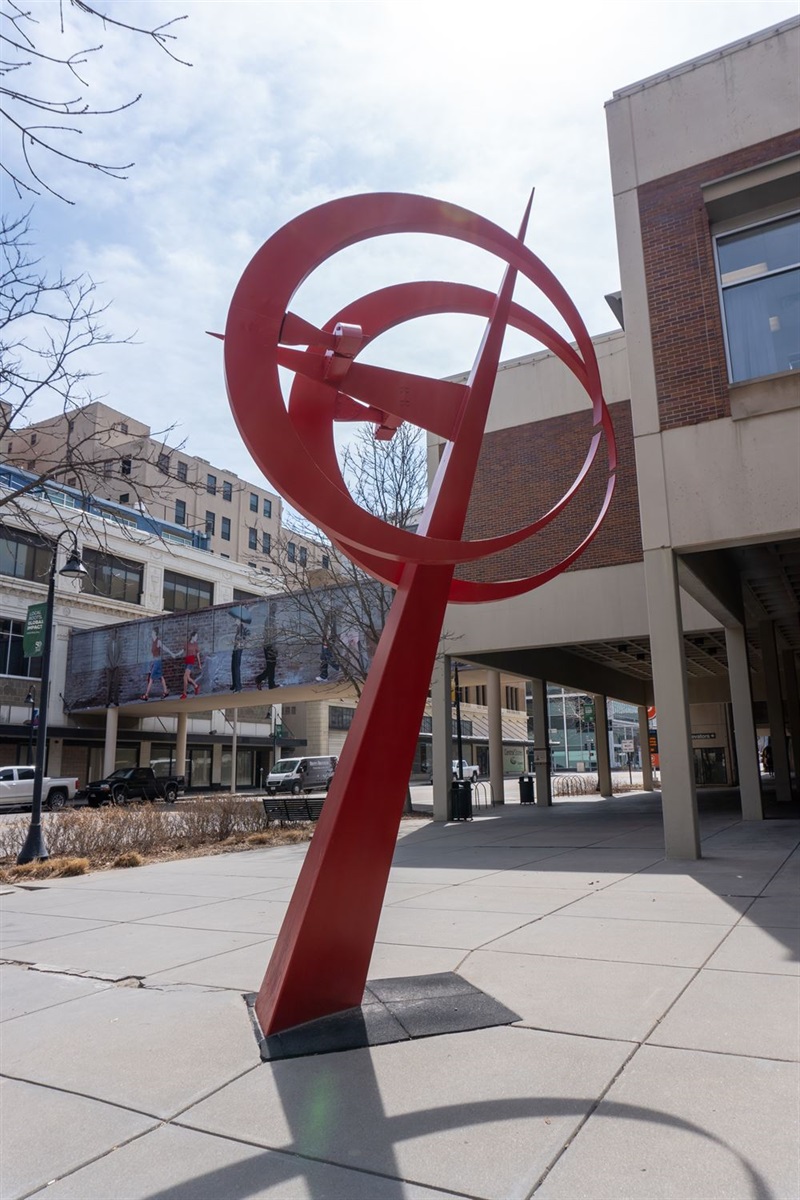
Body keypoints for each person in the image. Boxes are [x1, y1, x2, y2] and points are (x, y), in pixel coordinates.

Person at [141, 627, 173, 700]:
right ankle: (165, 691)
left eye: (152, 633)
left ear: (155, 633)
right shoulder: (153, 642)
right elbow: (153, 654)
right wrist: (152, 663)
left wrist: (171, 653)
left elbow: (164, 648)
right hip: (155, 661)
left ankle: (146, 695)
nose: (151, 634)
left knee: (151, 678)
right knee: (161, 677)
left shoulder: (158, 641)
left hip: (158, 662)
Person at [255, 604, 278, 690]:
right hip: (269, 645)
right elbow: (269, 633)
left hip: (271, 644)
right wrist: (272, 645)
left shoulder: (272, 619)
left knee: (272, 665)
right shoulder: (269, 619)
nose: (275, 609)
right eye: (274, 608)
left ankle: (270, 683)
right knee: (271, 665)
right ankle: (261, 679)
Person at [181, 630, 202, 699]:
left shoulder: (195, 645)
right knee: (187, 677)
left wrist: (199, 664)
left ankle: (184, 693)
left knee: (185, 677)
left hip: (191, 661)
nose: (196, 638)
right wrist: (175, 654)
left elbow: (198, 654)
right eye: (196, 636)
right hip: (186, 661)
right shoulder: (187, 644)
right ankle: (196, 686)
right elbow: (182, 650)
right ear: (192, 637)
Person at [231, 617, 249, 692]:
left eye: (236, 620)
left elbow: (242, 639)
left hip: (238, 649)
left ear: (239, 620)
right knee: (234, 667)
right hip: (236, 649)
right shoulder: (239, 628)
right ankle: (235, 684)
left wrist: (237, 643)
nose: (235, 621)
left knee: (236, 668)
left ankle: (238, 687)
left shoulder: (241, 628)